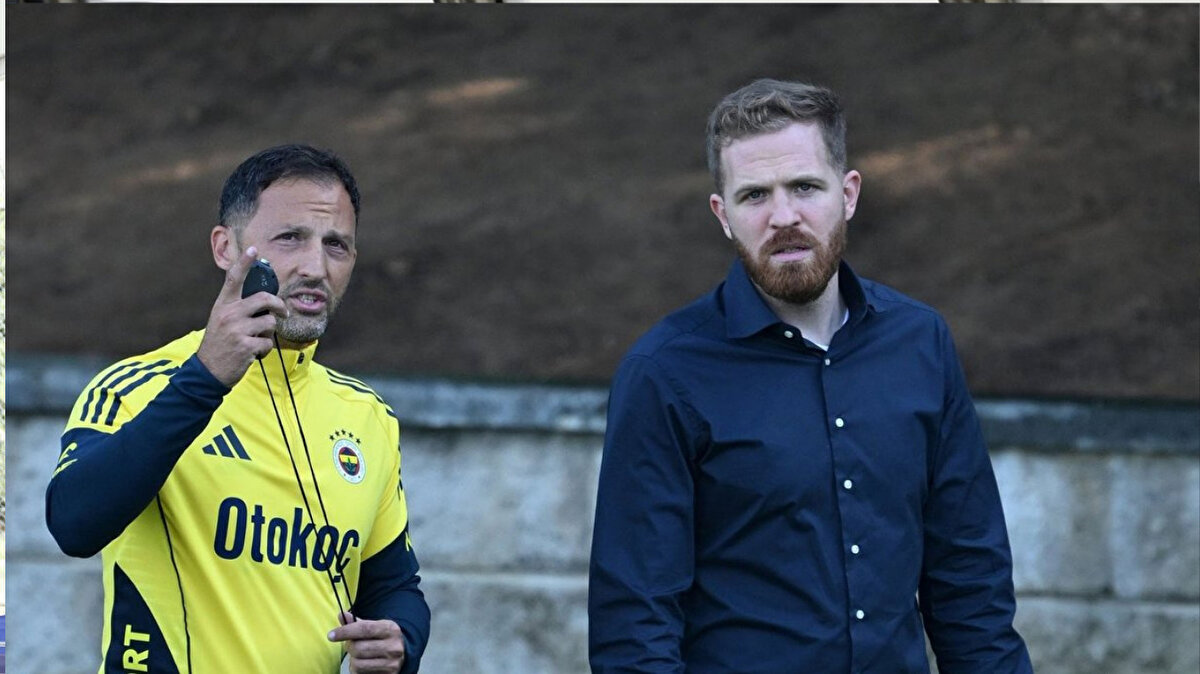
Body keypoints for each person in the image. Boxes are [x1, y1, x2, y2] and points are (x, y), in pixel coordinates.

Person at [588, 79, 1032, 673]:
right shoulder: (665, 374)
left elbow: (970, 584)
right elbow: (634, 626)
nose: (783, 217)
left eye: (804, 186)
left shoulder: (920, 343)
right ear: (723, 215)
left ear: (847, 194)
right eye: (754, 195)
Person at [46, 144, 430, 674]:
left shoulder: (368, 416)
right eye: (290, 238)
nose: (315, 266)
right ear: (226, 248)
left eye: (336, 245)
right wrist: (204, 380)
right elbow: (73, 525)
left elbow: (394, 585)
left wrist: (401, 640)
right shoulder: (135, 387)